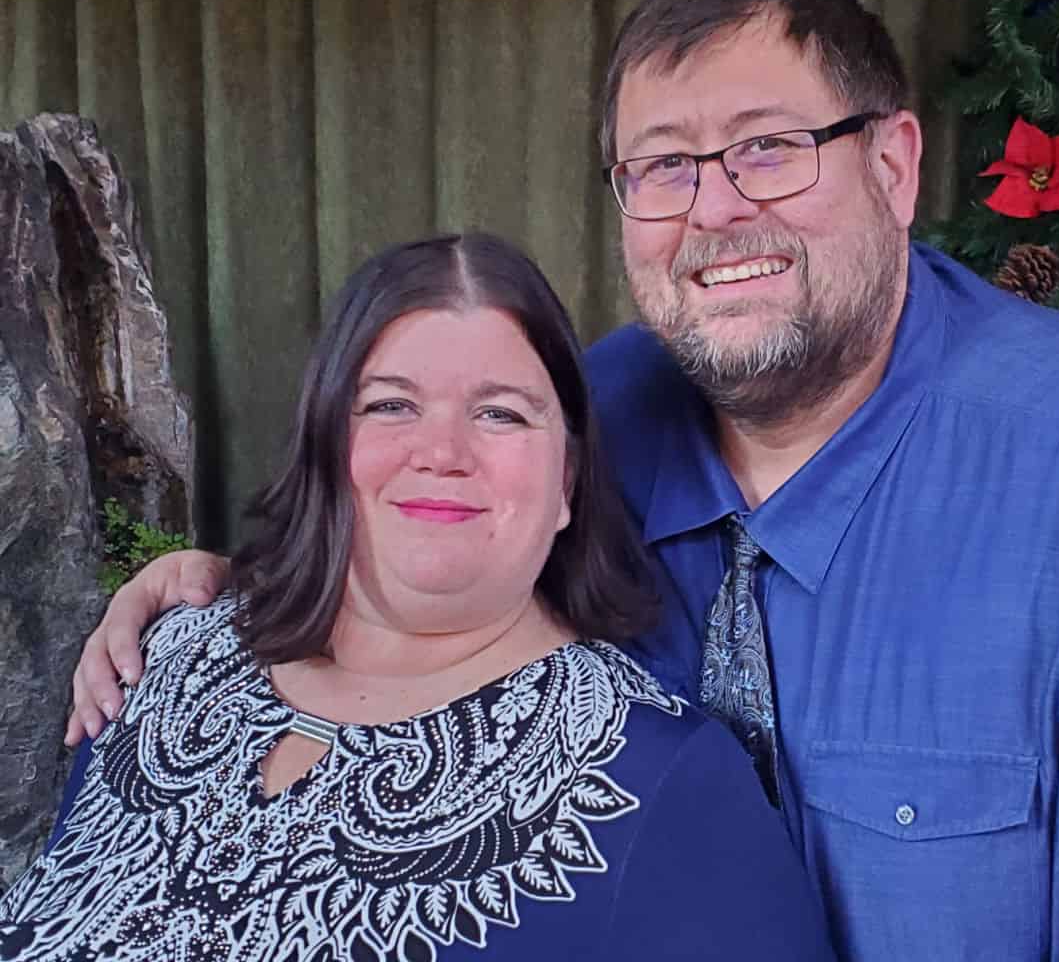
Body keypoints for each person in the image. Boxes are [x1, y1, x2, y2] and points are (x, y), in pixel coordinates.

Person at [69, 0, 1059, 961]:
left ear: (894, 167)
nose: (713, 210)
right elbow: (411, 570)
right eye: (661, 167)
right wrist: (221, 596)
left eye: (768, 149)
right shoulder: (586, 413)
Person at [1, 233, 833, 962]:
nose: (441, 452)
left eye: (501, 415)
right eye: (391, 405)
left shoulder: (667, 783)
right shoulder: (164, 663)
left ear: (569, 482)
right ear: (326, 445)